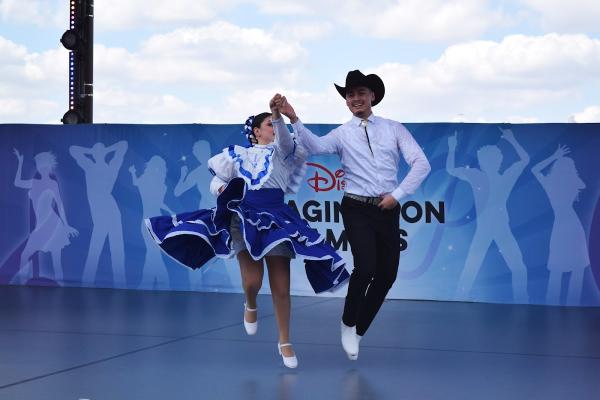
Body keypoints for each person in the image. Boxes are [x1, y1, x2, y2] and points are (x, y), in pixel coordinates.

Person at [145, 96, 349, 368]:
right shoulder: (236, 155)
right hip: (244, 217)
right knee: (253, 281)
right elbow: (218, 180)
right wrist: (221, 190)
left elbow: (288, 140)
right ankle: (250, 302)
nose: (275, 129)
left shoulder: (285, 152)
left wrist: (278, 114)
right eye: (269, 124)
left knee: (281, 286)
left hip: (277, 218)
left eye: (274, 124)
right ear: (256, 132)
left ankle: (285, 341)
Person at [275, 70, 431, 360]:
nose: (355, 98)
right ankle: (347, 323)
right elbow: (316, 147)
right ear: (346, 102)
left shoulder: (394, 128)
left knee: (387, 275)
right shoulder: (342, 134)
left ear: (372, 95)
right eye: (350, 95)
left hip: (388, 207)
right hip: (355, 206)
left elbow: (421, 164)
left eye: (360, 93)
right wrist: (293, 118)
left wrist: (396, 196)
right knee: (366, 267)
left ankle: (358, 331)